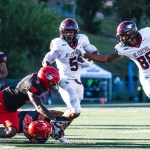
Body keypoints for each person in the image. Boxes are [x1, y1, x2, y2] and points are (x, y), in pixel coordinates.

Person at [42, 18, 99, 143]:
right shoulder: (58, 43)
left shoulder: (82, 40)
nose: (69, 34)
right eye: (67, 32)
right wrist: (52, 78)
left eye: (71, 32)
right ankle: (54, 124)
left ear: (76, 32)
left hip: (77, 80)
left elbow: (94, 50)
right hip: (64, 80)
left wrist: (90, 56)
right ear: (62, 32)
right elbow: (47, 60)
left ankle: (58, 130)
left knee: (72, 111)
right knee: (76, 110)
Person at [84, 20, 150, 99]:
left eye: (123, 36)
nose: (121, 39)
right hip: (147, 75)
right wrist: (89, 56)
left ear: (131, 34)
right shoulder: (122, 48)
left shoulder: (147, 33)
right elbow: (106, 59)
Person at [0, 66, 71, 138]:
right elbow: (39, 107)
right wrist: (56, 118)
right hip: (1, 100)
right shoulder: (32, 84)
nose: (53, 85)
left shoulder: (39, 80)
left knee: (11, 132)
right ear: (45, 79)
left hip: (10, 110)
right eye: (52, 83)